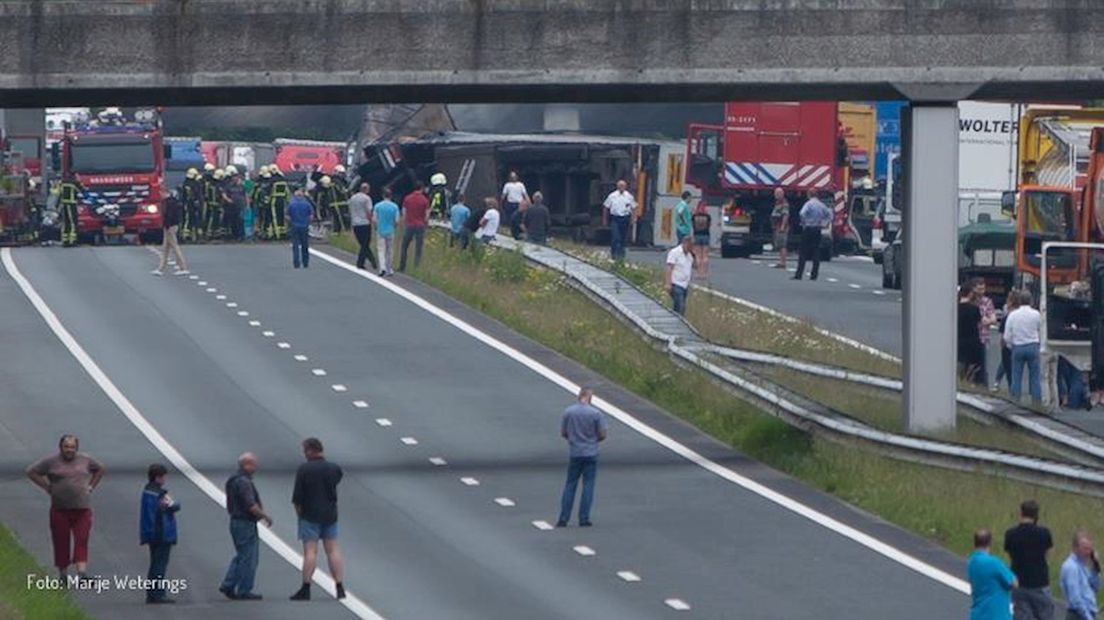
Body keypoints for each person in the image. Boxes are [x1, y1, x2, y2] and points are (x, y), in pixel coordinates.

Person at [26, 435, 105, 581]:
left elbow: (100, 469)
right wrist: (46, 486)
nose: (69, 450)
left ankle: (82, 573)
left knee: (82, 539)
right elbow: (31, 472)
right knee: (61, 540)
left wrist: (91, 486)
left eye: (72, 447)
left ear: (77, 448)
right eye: (66, 447)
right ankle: (63, 574)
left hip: (82, 509)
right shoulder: (51, 462)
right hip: (60, 509)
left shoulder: (85, 460)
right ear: (60, 447)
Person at [290, 438, 346, 601]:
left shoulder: (304, 470)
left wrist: (300, 516)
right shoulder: (334, 469)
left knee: (310, 552)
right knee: (333, 550)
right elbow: (336, 482)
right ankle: (340, 587)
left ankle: (306, 587)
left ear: (310, 450)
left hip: (309, 514)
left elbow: (297, 498)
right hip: (330, 514)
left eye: (304, 451)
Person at [220, 452, 272, 601]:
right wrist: (265, 516)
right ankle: (244, 589)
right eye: (253, 464)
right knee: (249, 558)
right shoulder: (244, 482)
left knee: (242, 555)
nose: (255, 467)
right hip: (245, 523)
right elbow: (250, 504)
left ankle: (229, 584)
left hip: (236, 521)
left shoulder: (233, 479)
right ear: (246, 465)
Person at [555, 387, 608, 528]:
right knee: (588, 486)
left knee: (570, 484)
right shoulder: (596, 413)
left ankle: (563, 518)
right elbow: (603, 434)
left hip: (575, 452)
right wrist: (593, 440)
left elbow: (563, 432)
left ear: (579, 396)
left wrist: (574, 439)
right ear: (590, 397)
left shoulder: (569, 412)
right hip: (591, 452)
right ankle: (584, 518)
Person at [1003, 500, 1054, 620]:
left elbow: (1010, 554)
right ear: (1036, 515)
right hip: (1040, 583)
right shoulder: (1044, 533)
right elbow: (1047, 555)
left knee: (1021, 614)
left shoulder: (1010, 534)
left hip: (1019, 582)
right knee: (1044, 614)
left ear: (1021, 513)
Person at [140, 463, 181, 605]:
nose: (165, 479)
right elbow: (174, 505)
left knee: (155, 563)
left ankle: (152, 593)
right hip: (162, 533)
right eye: (164, 477)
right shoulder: (159, 494)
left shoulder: (147, 491)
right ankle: (158, 593)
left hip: (151, 533)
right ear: (158, 477)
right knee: (159, 564)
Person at [968, 528, 1017, 620]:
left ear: (974, 544)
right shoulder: (994, 563)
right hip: (996, 615)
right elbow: (1014, 583)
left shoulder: (971, 563)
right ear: (990, 543)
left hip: (978, 615)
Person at [1005, 290, 1043, 405]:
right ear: (1031, 301)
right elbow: (1041, 330)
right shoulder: (1036, 314)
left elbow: (1007, 335)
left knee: (1016, 376)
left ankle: (1015, 401)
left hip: (1018, 347)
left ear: (1019, 301)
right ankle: (1036, 402)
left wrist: (1011, 345)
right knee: (1035, 377)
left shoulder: (1013, 315)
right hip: (1033, 346)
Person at [792, 188, 832, 281]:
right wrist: (824, 224)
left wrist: (804, 222)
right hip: (817, 229)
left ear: (809, 195)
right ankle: (814, 275)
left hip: (808, 228)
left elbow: (802, 213)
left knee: (803, 252)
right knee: (816, 251)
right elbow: (829, 215)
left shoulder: (809, 204)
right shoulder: (821, 205)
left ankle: (799, 274)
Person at [1060, 531, 1100, 620]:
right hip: (1078, 615)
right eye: (1085, 548)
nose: (1088, 552)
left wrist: (1095, 567)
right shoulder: (1071, 567)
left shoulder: (1083, 566)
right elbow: (1075, 599)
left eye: (1090, 549)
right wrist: (1088, 618)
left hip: (1086, 613)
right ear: (1075, 548)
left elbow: (1096, 587)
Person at [152, 193, 190, 276]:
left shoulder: (168, 202)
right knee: (165, 248)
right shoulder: (173, 201)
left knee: (174, 246)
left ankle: (183, 267)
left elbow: (168, 215)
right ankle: (160, 268)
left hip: (170, 226)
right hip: (170, 225)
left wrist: (167, 226)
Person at [993, 291, 1021, 392]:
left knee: (1009, 369)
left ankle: (1011, 391)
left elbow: (1003, 336)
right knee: (1017, 371)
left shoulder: (1007, 317)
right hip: (1020, 345)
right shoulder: (1022, 316)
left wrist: (1002, 346)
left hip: (1008, 347)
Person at [399, 182, 430, 272]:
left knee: (404, 246)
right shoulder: (425, 200)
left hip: (409, 224)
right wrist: (426, 224)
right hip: (420, 225)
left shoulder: (407, 198)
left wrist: (405, 222)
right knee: (418, 247)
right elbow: (427, 216)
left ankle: (402, 266)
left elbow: (404, 212)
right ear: (421, 188)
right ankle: (416, 267)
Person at [959, 284, 986, 385]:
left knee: (961, 363)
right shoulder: (974, 309)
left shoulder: (956, 307)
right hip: (973, 340)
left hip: (960, 340)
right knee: (973, 365)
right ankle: (972, 383)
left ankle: (961, 381)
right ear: (970, 294)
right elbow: (981, 322)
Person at [973, 278, 999, 385]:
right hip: (972, 336)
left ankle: (982, 384)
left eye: (983, 288)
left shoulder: (987, 301)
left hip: (983, 337)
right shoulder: (971, 301)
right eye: (979, 289)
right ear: (974, 289)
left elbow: (993, 319)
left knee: (983, 364)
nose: (981, 291)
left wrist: (985, 321)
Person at [603, 179, 636, 261]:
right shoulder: (612, 196)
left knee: (623, 238)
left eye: (623, 186)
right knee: (615, 237)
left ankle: (621, 256)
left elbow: (634, 208)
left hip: (625, 218)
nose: (621, 187)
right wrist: (604, 219)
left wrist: (633, 219)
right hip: (615, 218)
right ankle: (613, 254)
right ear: (617, 186)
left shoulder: (629, 196)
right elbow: (606, 207)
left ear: (625, 187)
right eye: (620, 186)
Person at [348, 182, 378, 271]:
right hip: (364, 223)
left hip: (355, 223)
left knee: (363, 244)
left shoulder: (353, 198)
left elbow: (350, 210)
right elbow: (368, 211)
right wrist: (372, 221)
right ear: (366, 189)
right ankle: (360, 262)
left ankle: (373, 261)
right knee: (365, 244)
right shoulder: (367, 198)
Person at [665, 234, 695, 315]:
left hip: (684, 285)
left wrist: (694, 254)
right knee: (680, 306)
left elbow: (695, 266)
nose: (690, 248)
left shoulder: (690, 255)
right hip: (676, 283)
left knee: (679, 307)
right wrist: (668, 283)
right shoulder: (674, 252)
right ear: (684, 243)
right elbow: (669, 268)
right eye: (689, 246)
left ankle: (675, 321)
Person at [373, 188, 400, 276]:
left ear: (383, 195)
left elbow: (374, 219)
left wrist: (376, 227)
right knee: (390, 250)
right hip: (390, 230)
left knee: (381, 249)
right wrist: (394, 227)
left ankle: (382, 268)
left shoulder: (378, 206)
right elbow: (396, 220)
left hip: (380, 229)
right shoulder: (394, 206)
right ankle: (389, 268)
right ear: (391, 196)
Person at [287, 189, 313, 269]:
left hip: (294, 226)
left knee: (295, 246)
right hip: (304, 226)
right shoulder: (307, 204)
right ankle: (305, 262)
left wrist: (291, 222)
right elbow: (311, 216)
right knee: (305, 245)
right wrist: (307, 222)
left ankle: (296, 263)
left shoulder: (291, 204)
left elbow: (287, 216)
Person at [500, 171, 529, 240]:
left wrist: (528, 201)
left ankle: (519, 232)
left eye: (514, 176)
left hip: (519, 204)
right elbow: (504, 195)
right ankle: (513, 232)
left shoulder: (520, 185)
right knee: (511, 218)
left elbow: (525, 194)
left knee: (519, 219)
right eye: (512, 177)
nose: (513, 178)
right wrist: (501, 202)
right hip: (510, 203)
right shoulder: (507, 185)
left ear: (517, 177)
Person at [58, 174, 84, 247]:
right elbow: (82, 190)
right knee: (73, 222)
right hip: (72, 204)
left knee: (66, 222)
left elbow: (59, 193)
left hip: (64, 204)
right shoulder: (74, 184)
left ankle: (65, 240)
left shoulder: (62, 183)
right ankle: (73, 240)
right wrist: (80, 182)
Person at [181, 168, 203, 243]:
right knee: (189, 219)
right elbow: (196, 194)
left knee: (189, 219)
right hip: (190, 204)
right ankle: (186, 235)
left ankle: (188, 235)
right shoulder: (194, 184)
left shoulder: (185, 183)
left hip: (188, 204)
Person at [770, 188, 790, 268]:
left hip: (781, 227)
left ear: (782, 194)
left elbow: (785, 215)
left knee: (782, 245)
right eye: (775, 193)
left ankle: (783, 262)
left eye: (778, 194)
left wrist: (782, 226)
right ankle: (781, 261)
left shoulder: (784, 203)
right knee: (780, 245)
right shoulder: (778, 203)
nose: (776, 195)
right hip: (777, 226)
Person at [690, 201, 711, 277]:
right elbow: (709, 225)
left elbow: (692, 225)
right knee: (705, 256)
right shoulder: (707, 216)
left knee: (698, 255)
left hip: (697, 235)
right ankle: (704, 273)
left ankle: (699, 273)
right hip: (706, 235)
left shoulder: (695, 216)